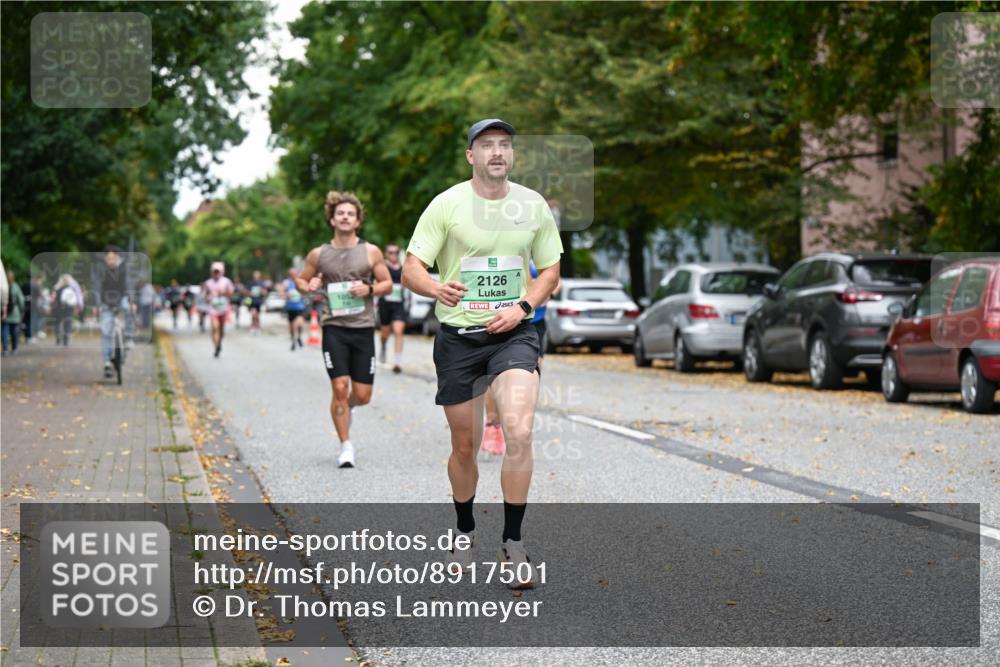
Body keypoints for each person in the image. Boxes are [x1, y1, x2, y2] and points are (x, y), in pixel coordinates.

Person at [402, 119, 562, 588]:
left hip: (514, 333)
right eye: (487, 145)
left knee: (519, 431)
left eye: (505, 145)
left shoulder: (532, 205)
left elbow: (551, 271)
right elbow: (411, 269)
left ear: (512, 155)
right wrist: (435, 287)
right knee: (464, 446)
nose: (497, 152)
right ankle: (464, 529)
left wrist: (523, 307)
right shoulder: (446, 204)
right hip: (459, 338)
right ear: (471, 156)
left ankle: (513, 543)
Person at [296, 191, 392, 468]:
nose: (346, 217)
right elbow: (301, 281)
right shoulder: (319, 254)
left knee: (362, 396)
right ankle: (346, 446)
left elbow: (387, 284)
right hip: (334, 328)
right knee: (339, 387)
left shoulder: (371, 251)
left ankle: (348, 406)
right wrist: (309, 285)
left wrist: (369, 288)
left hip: (362, 329)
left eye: (351, 214)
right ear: (332, 219)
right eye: (341, 213)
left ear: (358, 221)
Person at [90, 246, 135, 378]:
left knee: (128, 308)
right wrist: (96, 305)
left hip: (121, 299)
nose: (111, 260)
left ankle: (128, 338)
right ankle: (107, 363)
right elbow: (96, 287)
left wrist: (132, 301)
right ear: (104, 259)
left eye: (113, 258)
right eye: (108, 258)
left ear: (118, 258)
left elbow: (129, 285)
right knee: (106, 333)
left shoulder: (124, 268)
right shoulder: (100, 270)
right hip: (105, 302)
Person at [377, 243, 407, 373]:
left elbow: (407, 282)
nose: (393, 255)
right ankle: (383, 345)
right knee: (385, 332)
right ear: (386, 253)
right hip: (385, 303)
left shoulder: (403, 267)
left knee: (398, 330)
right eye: (390, 252)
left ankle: (398, 362)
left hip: (398, 303)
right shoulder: (382, 267)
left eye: (396, 252)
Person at [204, 261, 235, 357]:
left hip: (224, 308)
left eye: (218, 271)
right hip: (213, 309)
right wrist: (209, 297)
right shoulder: (208, 283)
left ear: (221, 272)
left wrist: (223, 293)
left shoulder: (226, 281)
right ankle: (216, 347)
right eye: (214, 271)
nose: (216, 273)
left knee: (221, 329)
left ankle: (219, 342)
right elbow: (205, 296)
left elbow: (231, 294)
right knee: (215, 327)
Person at [1, 270, 25, 356]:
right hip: (15, 312)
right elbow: (21, 300)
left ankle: (5, 349)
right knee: (14, 332)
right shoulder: (16, 287)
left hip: (4, 312)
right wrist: (22, 310)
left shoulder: (2, 286)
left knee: (5, 331)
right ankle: (14, 348)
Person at [283, 268, 307, 351]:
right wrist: (286, 295)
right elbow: (282, 293)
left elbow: (305, 292)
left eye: (295, 273)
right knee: (291, 326)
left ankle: (299, 337)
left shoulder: (301, 281)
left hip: (300, 307)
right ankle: (293, 339)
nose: (293, 275)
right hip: (291, 308)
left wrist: (303, 293)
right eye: (291, 274)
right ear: (289, 275)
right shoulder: (286, 283)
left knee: (300, 324)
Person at [52, 274, 80, 346]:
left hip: (59, 307)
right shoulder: (71, 289)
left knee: (58, 322)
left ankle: (58, 336)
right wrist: (76, 307)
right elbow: (75, 299)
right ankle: (66, 340)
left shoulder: (57, 289)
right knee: (68, 323)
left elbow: (53, 299)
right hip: (69, 308)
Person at [246, 270, 267, 334]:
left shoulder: (262, 283)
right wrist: (250, 293)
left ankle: (257, 326)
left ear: (259, 275)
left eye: (257, 275)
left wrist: (261, 291)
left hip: (258, 301)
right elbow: (246, 291)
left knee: (257, 315)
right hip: (251, 301)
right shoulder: (250, 283)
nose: (256, 276)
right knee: (253, 314)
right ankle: (253, 326)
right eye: (255, 275)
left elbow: (265, 292)